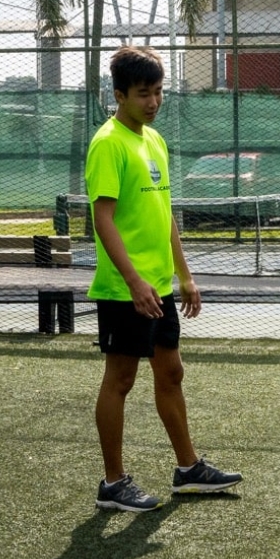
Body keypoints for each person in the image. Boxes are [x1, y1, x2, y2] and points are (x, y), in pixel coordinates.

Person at [87, 46, 242, 513]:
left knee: (171, 372)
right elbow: (103, 220)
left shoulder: (153, 141)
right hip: (125, 288)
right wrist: (133, 281)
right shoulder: (108, 142)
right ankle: (113, 484)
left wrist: (185, 277)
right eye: (143, 94)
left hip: (160, 286)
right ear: (119, 95)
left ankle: (188, 469)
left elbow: (164, 216)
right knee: (120, 379)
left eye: (158, 92)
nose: (153, 102)